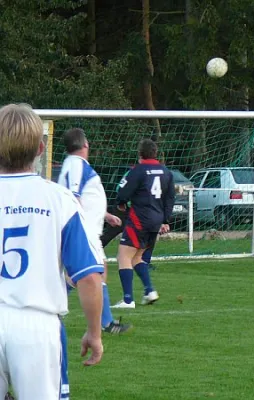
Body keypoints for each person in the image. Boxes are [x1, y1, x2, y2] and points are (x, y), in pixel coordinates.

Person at [0, 104, 104, 399]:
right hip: (37, 325)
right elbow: (88, 278)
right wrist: (94, 334)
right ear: (41, 148)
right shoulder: (59, 199)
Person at [58, 128, 131, 333]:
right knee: (91, 274)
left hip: (88, 229)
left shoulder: (74, 165)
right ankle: (105, 323)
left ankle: (106, 322)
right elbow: (73, 196)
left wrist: (106, 215)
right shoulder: (76, 164)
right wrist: (78, 226)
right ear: (86, 144)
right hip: (84, 230)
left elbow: (87, 197)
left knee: (95, 272)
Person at [112, 138, 175, 309]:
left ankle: (127, 300)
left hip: (140, 219)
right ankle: (149, 291)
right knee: (137, 257)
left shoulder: (138, 170)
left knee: (123, 255)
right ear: (155, 154)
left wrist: (121, 202)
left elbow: (124, 191)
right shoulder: (166, 172)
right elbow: (170, 198)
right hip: (156, 220)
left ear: (140, 154)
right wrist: (165, 219)